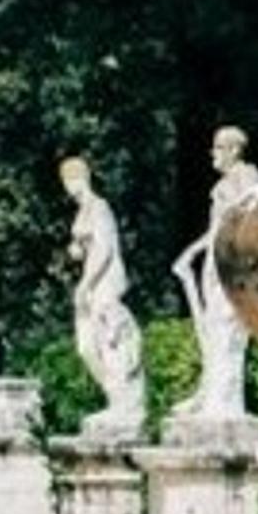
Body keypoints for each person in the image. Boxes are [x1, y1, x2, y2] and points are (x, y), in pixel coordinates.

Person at [170, 125, 258, 427]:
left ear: (234, 150)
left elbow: (245, 222)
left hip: (233, 263)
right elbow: (214, 231)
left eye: (219, 148)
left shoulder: (246, 179)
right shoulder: (222, 187)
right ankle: (211, 395)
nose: (214, 154)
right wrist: (191, 253)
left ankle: (223, 401)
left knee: (226, 328)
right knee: (214, 327)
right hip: (215, 261)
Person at [61, 155, 148, 435]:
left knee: (111, 341)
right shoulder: (82, 211)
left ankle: (125, 405)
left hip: (105, 281)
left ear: (80, 178)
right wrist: (77, 251)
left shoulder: (100, 207)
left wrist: (86, 283)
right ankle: (115, 398)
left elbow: (105, 249)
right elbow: (86, 247)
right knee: (86, 347)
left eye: (69, 180)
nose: (67, 187)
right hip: (90, 280)